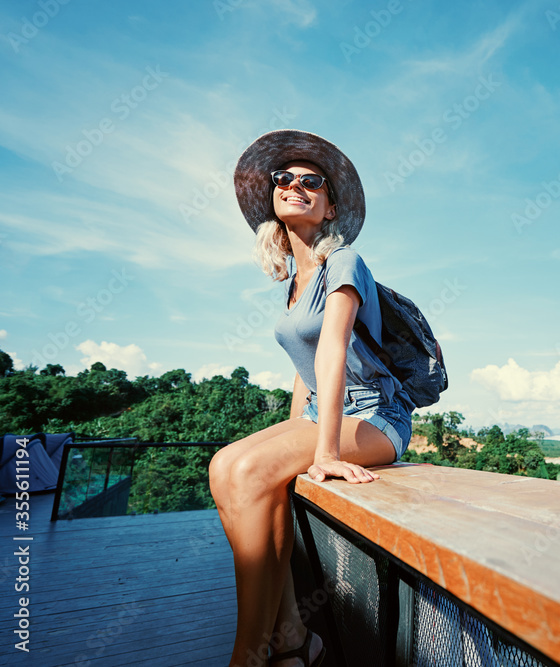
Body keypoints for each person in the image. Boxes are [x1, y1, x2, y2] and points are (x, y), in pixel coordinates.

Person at [209, 129, 415, 667]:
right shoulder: (293, 284)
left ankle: (251, 655)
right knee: (225, 467)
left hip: (375, 417)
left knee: (251, 473)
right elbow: (304, 370)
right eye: (284, 179)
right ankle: (291, 635)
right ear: (273, 201)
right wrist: (285, 433)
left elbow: (332, 350)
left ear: (328, 208)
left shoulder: (344, 262)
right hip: (319, 413)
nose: (295, 186)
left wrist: (322, 452)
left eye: (311, 181)